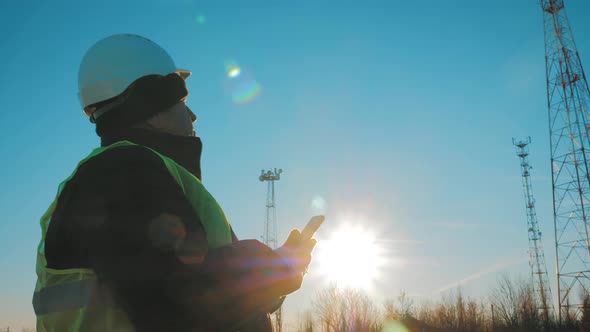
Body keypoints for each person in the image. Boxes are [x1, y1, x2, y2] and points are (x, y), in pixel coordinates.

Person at [32, 33, 319, 332]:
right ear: (149, 104)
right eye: (182, 100)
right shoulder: (122, 171)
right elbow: (183, 301)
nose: (193, 115)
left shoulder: (138, 176)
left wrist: (283, 268)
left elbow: (210, 292)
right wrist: (276, 266)